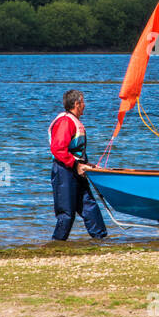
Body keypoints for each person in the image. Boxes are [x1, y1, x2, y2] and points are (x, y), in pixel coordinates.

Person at [49, 89, 108, 241]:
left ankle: (101, 240)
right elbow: (58, 149)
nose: (85, 105)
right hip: (64, 171)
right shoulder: (65, 122)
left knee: (89, 206)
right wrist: (76, 166)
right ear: (76, 104)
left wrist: (88, 165)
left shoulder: (72, 121)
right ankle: (57, 244)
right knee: (67, 214)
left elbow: (75, 152)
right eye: (83, 102)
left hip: (76, 170)